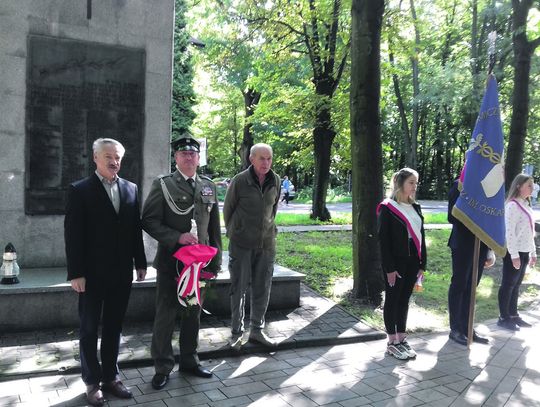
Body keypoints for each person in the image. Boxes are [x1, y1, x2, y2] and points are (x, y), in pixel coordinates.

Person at [64, 138, 147, 406]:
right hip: (90, 275)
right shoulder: (80, 190)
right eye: (108, 156)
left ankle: (111, 377)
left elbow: (135, 230)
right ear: (96, 158)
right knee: (89, 329)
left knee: (114, 327)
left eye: (118, 157)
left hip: (121, 273)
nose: (114, 161)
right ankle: (91, 382)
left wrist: (141, 262)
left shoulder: (131, 189)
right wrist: (76, 273)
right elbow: (73, 235)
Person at [142, 136, 222, 390]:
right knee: (166, 316)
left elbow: (214, 228)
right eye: (183, 154)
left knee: (192, 315)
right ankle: (162, 367)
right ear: (175, 158)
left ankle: (189, 360)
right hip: (171, 264)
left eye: (193, 154)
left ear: (199, 158)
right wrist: (177, 237)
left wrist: (215, 262)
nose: (189, 157)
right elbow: (149, 220)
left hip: (199, 265)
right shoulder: (164, 184)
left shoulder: (208, 186)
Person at [223, 143, 281, 351]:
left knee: (263, 287)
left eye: (269, 158)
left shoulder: (276, 180)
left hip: (266, 245)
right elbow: (228, 210)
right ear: (251, 159)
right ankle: (237, 334)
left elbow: (273, 210)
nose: (266, 162)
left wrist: (267, 233)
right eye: (261, 158)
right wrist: (237, 232)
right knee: (238, 288)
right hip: (241, 244)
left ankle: (257, 330)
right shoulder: (240, 181)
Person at [377, 168, 426, 360]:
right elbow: (383, 241)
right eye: (411, 182)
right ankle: (392, 342)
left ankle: (401, 337)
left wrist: (423, 263)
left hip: (413, 260)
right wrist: (389, 268)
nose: (415, 186)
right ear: (400, 184)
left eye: (416, 182)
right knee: (393, 299)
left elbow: (422, 236)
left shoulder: (416, 207)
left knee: (404, 299)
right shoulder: (387, 208)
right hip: (395, 263)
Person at [447, 178, 495, 346]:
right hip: (463, 244)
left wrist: (489, 249)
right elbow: (451, 217)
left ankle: (467, 327)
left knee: (472, 287)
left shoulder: (487, 188)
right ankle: (455, 329)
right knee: (460, 284)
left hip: (480, 246)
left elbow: (491, 219)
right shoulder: (459, 186)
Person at [497, 174, 537, 330]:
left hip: (525, 251)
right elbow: (509, 233)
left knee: (516, 284)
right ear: (519, 186)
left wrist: (533, 253)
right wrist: (513, 256)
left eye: (532, 186)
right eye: (529, 185)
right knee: (508, 284)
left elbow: (529, 231)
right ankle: (503, 317)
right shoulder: (512, 206)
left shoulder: (526, 205)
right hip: (514, 252)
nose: (532, 189)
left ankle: (513, 315)